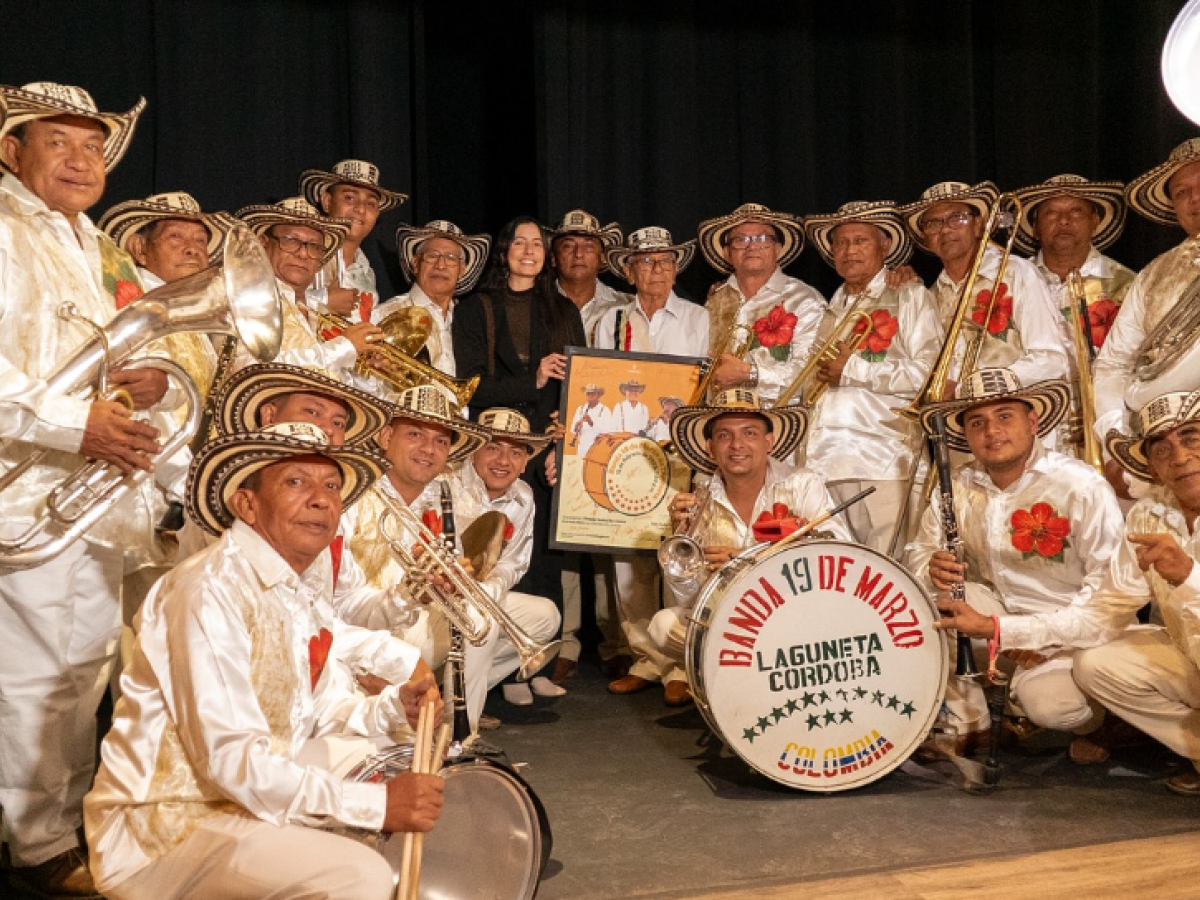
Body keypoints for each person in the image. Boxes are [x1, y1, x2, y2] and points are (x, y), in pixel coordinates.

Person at [84, 421, 444, 900]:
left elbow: (305, 717)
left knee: (384, 760)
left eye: (332, 485)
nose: (321, 499)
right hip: (164, 827)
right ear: (247, 504)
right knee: (361, 876)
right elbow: (230, 760)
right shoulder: (208, 590)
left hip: (232, 796)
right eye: (296, 482)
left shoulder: (291, 589)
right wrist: (376, 805)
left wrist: (397, 706)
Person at [0, 81, 172, 897]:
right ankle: (36, 848)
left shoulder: (88, 239)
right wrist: (79, 424)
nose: (82, 159)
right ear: (12, 152)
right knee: (35, 675)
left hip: (87, 492)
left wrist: (133, 384)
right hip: (25, 487)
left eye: (93, 145)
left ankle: (56, 827)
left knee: (83, 667)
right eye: (57, 142)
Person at [937, 387, 1200, 794]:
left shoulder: (1078, 483)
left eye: (1192, 438)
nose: (1180, 458)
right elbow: (1106, 608)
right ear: (1151, 465)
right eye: (1162, 450)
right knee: (1097, 665)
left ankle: (1109, 725)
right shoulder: (1151, 516)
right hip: (1187, 657)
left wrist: (1188, 577)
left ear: (1033, 423)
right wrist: (1014, 632)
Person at [906, 368, 1124, 750]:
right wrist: (930, 565)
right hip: (998, 619)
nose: (992, 431)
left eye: (1004, 416)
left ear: (1033, 421)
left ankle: (1099, 723)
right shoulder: (958, 484)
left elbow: (1106, 598)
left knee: (1054, 707)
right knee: (928, 605)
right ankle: (979, 720)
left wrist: (1025, 633)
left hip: (1067, 633)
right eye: (978, 422)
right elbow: (919, 553)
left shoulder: (1080, 485)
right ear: (967, 435)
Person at [342, 385, 559, 732]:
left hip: (416, 620)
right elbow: (337, 603)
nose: (428, 449)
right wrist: (414, 592)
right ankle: (443, 719)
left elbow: (488, 562)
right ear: (385, 436)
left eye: (441, 441)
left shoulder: (440, 493)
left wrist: (463, 576)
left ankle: (457, 727)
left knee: (512, 614)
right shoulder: (352, 494)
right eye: (415, 434)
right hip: (364, 630)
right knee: (477, 615)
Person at [453, 216, 586, 652]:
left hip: (545, 446)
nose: (529, 251)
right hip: (496, 448)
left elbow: (580, 387)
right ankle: (499, 658)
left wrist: (559, 446)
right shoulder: (477, 306)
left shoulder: (564, 310)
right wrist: (532, 379)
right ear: (505, 250)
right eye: (520, 243)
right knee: (497, 549)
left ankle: (538, 657)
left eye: (538, 245)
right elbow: (469, 384)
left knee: (545, 555)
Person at [649, 389, 851, 675]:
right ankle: (754, 675)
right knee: (662, 625)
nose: (737, 445)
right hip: (735, 626)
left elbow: (840, 550)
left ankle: (744, 676)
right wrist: (682, 547)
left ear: (769, 442)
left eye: (750, 433)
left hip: (797, 616)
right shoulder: (699, 498)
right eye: (724, 435)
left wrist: (748, 561)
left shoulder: (803, 483)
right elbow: (689, 599)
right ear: (710, 448)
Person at [594, 226, 710, 703]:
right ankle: (646, 657)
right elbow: (596, 375)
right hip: (626, 449)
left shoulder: (699, 316)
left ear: (676, 267)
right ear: (629, 270)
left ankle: (679, 664)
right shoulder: (611, 319)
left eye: (664, 262)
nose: (655, 270)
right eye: (645, 263)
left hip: (681, 448)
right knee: (628, 556)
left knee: (678, 550)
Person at [801, 201, 941, 552]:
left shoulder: (909, 294)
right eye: (841, 243)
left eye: (861, 240)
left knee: (888, 574)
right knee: (838, 578)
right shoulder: (829, 307)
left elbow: (929, 374)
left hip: (883, 459)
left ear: (885, 246)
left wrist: (853, 370)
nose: (849, 251)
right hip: (823, 463)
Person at [1093, 139, 1200, 500]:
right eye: (1182, 192)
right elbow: (1112, 365)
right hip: (1160, 448)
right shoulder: (1154, 274)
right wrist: (1115, 443)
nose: (1194, 199)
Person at [445, 408, 565, 713]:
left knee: (546, 616)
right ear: (473, 451)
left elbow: (514, 564)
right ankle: (461, 730)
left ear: (526, 463)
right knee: (479, 619)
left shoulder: (524, 495)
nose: (503, 461)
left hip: (479, 597)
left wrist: (489, 593)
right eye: (493, 448)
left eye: (515, 452)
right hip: (437, 600)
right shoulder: (445, 482)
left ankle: (448, 696)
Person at [1012, 175, 1136, 458]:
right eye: (1052, 213)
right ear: (1035, 227)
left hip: (1106, 431)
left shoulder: (1128, 284)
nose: (1064, 221)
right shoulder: (1010, 282)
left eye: (1076, 211)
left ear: (1095, 221)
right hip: (1031, 436)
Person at [902, 180, 1068, 393]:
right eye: (933, 223)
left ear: (979, 225)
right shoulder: (930, 295)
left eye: (957, 218)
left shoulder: (1016, 272)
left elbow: (1050, 359)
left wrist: (980, 387)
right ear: (925, 238)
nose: (945, 230)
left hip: (1013, 409)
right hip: (955, 418)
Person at [237, 196, 383, 382]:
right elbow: (253, 370)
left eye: (314, 246)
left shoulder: (317, 314)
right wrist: (345, 347)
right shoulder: (245, 296)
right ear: (263, 244)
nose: (303, 253)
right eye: (290, 240)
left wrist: (365, 372)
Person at [697, 202, 826, 405]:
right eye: (741, 239)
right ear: (727, 253)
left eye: (762, 238)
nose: (752, 246)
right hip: (717, 423)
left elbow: (812, 375)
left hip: (779, 425)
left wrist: (750, 374)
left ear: (778, 249)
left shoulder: (805, 301)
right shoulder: (714, 301)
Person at [375, 219, 490, 376]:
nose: (440, 265)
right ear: (415, 263)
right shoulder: (387, 314)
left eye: (450, 258)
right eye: (432, 256)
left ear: (461, 270)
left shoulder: (467, 321)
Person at [300, 158, 408, 324]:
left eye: (370, 203)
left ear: (377, 214)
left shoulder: (366, 270)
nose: (360, 209)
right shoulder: (303, 252)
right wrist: (322, 300)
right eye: (349, 198)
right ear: (327, 202)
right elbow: (267, 303)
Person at [550, 209, 627, 344]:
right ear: (553, 258)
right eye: (568, 246)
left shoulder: (624, 306)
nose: (578, 254)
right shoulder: (536, 305)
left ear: (602, 257)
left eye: (589, 246)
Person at [570, 383, 612, 455]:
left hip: (598, 448)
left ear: (598, 395)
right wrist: (576, 427)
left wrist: (591, 423)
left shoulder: (605, 410)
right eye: (588, 394)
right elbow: (572, 430)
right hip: (582, 448)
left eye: (593, 394)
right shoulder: (580, 409)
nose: (590, 396)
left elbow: (609, 430)